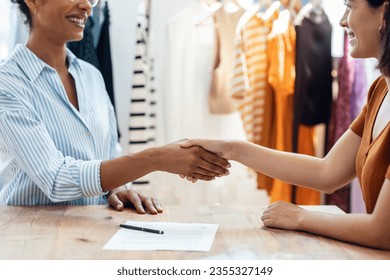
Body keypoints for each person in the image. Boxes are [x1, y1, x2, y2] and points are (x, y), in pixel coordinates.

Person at [181, 0, 390, 250]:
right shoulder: (379, 90)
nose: (342, 20)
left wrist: (301, 217)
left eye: (350, 6)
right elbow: (327, 173)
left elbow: (382, 232)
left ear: (385, 13)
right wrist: (232, 149)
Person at [0, 0, 230, 213]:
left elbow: (108, 153)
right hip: (30, 238)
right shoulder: (7, 83)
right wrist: (155, 158)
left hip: (90, 236)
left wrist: (118, 189)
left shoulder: (92, 77)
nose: (86, 6)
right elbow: (55, 178)